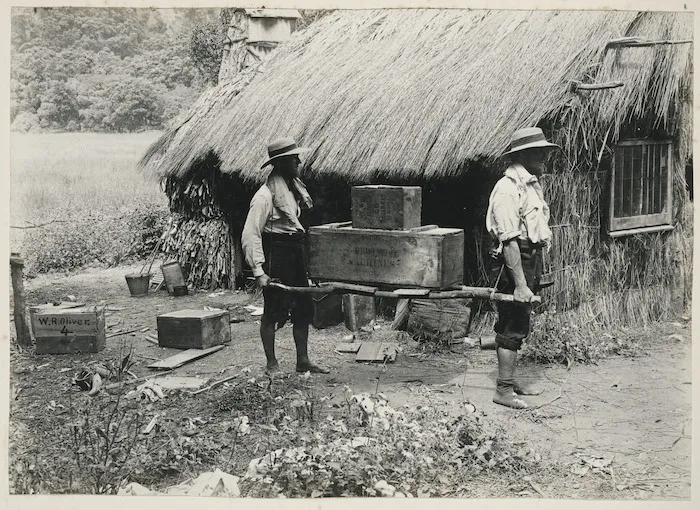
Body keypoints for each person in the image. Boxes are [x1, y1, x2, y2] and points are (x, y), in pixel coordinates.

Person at [241, 137, 330, 375]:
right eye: (294, 159)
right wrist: (259, 271)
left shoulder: (294, 188)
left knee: (303, 308)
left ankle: (303, 361)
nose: (299, 162)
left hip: (294, 253)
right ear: (280, 164)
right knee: (273, 310)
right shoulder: (264, 196)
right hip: (277, 255)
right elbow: (250, 235)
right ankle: (272, 364)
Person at [485, 127, 558, 409]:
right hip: (514, 261)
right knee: (512, 323)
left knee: (520, 320)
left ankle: (510, 380)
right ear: (525, 155)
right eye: (540, 152)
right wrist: (520, 283)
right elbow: (510, 240)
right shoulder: (506, 189)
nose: (545, 157)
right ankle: (503, 390)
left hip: (529, 258)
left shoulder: (528, 184)